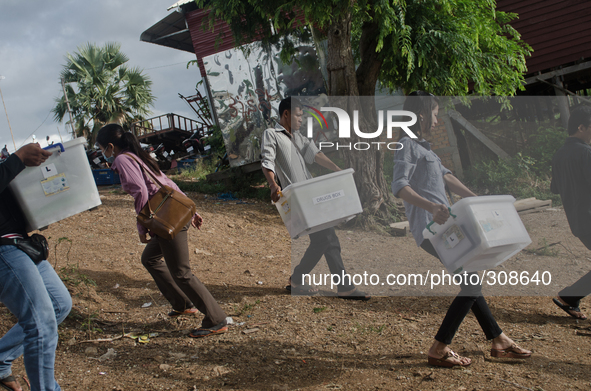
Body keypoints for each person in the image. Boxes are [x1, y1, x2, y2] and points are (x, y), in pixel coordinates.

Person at [391, 91, 531, 367]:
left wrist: (475, 198)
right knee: (471, 281)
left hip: (448, 227)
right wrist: (431, 207)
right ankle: (440, 347)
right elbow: (399, 186)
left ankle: (498, 340)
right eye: (434, 114)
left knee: (471, 280)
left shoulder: (425, 148)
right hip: (433, 229)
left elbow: (447, 177)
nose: (436, 120)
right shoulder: (406, 145)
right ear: (421, 115)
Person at [96, 124, 228, 338]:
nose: (104, 153)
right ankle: (183, 303)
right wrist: (190, 209)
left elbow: (140, 191)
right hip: (172, 214)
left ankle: (216, 319)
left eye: (103, 148)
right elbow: (167, 183)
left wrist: (142, 225)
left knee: (181, 272)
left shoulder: (123, 159)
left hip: (166, 220)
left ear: (110, 146)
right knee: (150, 258)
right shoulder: (137, 156)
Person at [260, 96, 370, 300]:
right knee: (326, 238)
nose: (301, 120)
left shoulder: (298, 137)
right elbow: (267, 160)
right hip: (298, 199)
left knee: (327, 238)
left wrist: (337, 170)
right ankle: (306, 280)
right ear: (286, 114)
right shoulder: (272, 134)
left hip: (312, 196)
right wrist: (273, 184)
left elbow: (315, 154)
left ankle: (324, 283)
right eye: (299, 116)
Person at [0, 143, 72, 391]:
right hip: (2, 249)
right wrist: (17, 158)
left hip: (19, 241)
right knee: (40, 323)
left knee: (59, 304)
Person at [550, 105, 591, 320]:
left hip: (577, 220)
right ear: (581, 127)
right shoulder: (585, 153)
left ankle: (571, 297)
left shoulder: (559, 155)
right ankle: (569, 296)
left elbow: (555, 188)